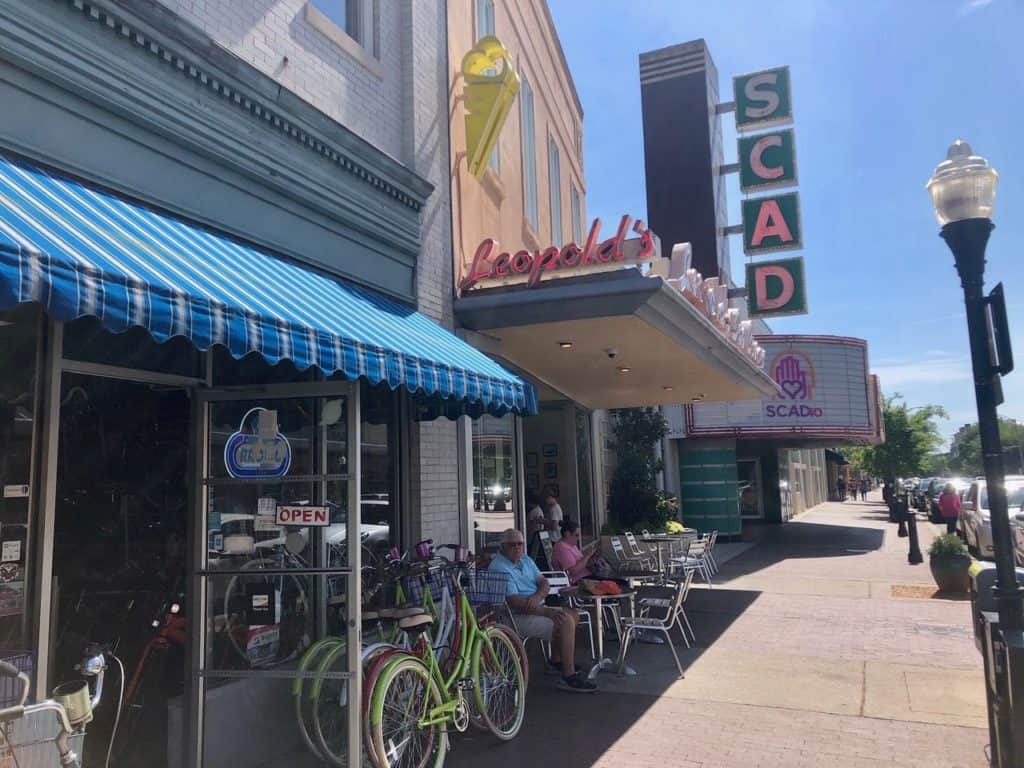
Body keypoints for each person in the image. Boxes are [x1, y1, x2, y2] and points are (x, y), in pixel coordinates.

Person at [488, 528, 596, 693]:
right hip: (515, 616)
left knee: (573, 614)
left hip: (534, 606)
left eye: (520, 544)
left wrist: (537, 597)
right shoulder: (499, 567)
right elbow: (515, 601)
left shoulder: (525, 560)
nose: (517, 547)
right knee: (564, 620)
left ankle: (556, 661)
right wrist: (547, 612)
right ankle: (569, 675)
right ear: (502, 546)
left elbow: (544, 582)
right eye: (512, 544)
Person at [551, 519, 601, 584]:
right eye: (576, 535)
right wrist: (587, 556)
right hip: (577, 582)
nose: (578, 538)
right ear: (567, 534)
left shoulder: (571, 544)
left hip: (586, 577)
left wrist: (591, 560)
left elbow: (580, 563)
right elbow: (573, 570)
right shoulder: (561, 547)